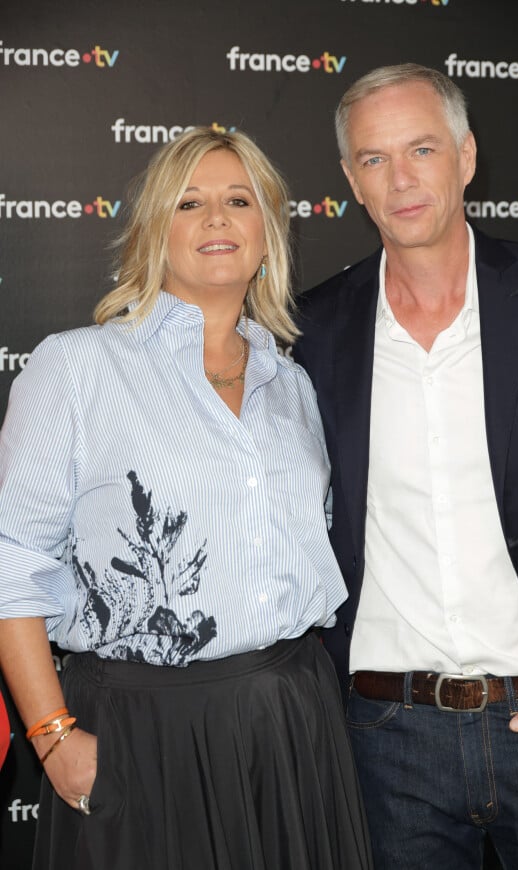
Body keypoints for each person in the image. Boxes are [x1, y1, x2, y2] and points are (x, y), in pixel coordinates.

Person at [0, 128, 373, 870]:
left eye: (239, 200)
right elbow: (13, 561)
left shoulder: (292, 383)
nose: (216, 219)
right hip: (144, 728)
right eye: (189, 202)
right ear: (153, 233)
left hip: (295, 720)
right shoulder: (76, 367)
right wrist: (51, 736)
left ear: (267, 233)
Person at [293, 63, 518, 869]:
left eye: (422, 148)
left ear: (467, 155)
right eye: (376, 159)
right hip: (389, 743)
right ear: (351, 179)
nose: (403, 178)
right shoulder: (312, 331)